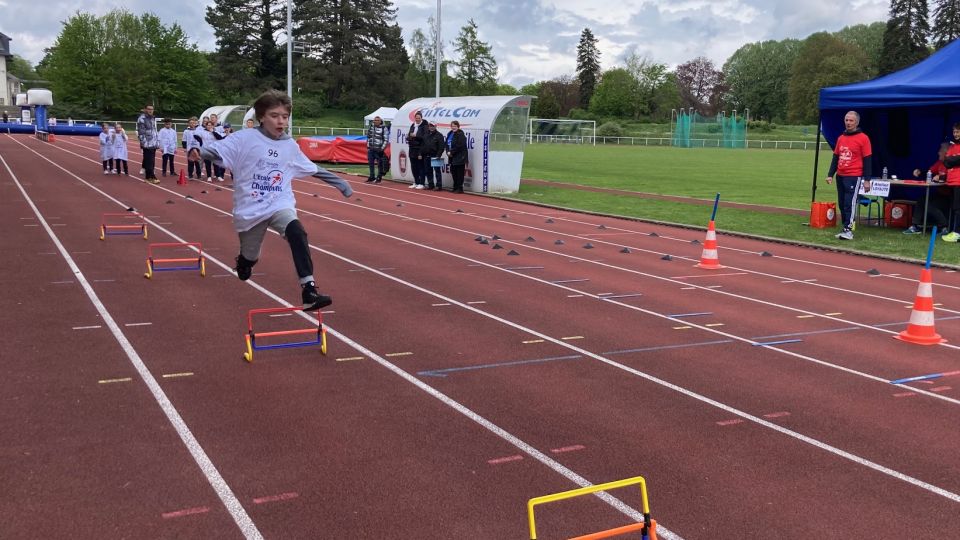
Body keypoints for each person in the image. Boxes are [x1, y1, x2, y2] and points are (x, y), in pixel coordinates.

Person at [188, 90, 353, 311]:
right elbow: (217, 150)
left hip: (279, 203)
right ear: (261, 116)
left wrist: (340, 183)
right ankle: (245, 262)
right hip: (251, 208)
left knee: (297, 232)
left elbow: (312, 167)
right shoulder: (244, 138)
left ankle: (309, 290)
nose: (281, 121)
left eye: (285, 116)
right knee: (250, 255)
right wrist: (197, 150)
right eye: (275, 116)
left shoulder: (289, 146)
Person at [825, 111, 872, 240]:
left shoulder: (863, 138)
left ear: (856, 122)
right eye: (846, 120)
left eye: (851, 120)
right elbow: (836, 157)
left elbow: (868, 160)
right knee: (841, 203)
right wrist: (830, 174)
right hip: (840, 175)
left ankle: (848, 230)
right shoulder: (841, 138)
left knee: (849, 203)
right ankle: (845, 227)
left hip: (854, 176)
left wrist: (867, 180)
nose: (848, 123)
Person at [904, 142, 951, 234]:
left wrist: (941, 177)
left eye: (940, 150)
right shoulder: (939, 163)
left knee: (929, 206)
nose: (938, 152)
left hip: (948, 196)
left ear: (946, 153)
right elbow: (929, 171)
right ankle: (915, 226)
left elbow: (951, 177)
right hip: (939, 193)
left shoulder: (952, 164)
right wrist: (919, 172)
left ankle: (944, 227)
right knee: (922, 199)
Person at [941, 122, 960, 242]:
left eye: (958, 131)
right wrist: (954, 159)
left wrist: (953, 159)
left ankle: (957, 233)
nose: (955, 134)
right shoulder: (952, 146)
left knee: (958, 208)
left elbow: (951, 160)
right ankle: (953, 230)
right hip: (952, 182)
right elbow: (946, 162)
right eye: (954, 131)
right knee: (954, 207)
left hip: (959, 181)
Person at [136, 103, 160, 183]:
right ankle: (152, 177)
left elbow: (153, 131)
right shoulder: (142, 119)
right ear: (145, 109)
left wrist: (157, 142)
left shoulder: (152, 118)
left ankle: (147, 177)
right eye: (149, 109)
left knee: (150, 160)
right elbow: (141, 132)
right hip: (147, 143)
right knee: (150, 160)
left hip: (153, 143)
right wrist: (144, 143)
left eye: (151, 109)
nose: (150, 111)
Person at [406, 111, 428, 189]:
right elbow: (409, 134)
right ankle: (416, 181)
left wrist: (416, 136)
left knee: (420, 166)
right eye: (416, 118)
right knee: (413, 166)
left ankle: (422, 183)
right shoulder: (413, 125)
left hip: (420, 149)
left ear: (421, 118)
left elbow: (424, 137)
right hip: (412, 148)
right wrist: (408, 137)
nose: (417, 119)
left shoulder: (425, 126)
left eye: (419, 118)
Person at [446, 120, 468, 194]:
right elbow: (447, 144)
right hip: (452, 157)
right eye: (452, 126)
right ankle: (455, 187)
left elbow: (460, 146)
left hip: (460, 157)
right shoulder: (450, 133)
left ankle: (460, 188)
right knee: (454, 172)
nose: (453, 127)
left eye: (455, 126)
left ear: (458, 127)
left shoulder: (460, 134)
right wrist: (448, 152)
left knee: (459, 173)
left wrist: (451, 152)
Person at [422, 122, 446, 190]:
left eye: (433, 126)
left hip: (435, 156)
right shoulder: (426, 134)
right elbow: (423, 145)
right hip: (427, 156)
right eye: (430, 126)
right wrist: (422, 153)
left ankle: (439, 186)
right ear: (428, 126)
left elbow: (441, 147)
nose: (431, 127)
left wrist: (438, 155)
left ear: (435, 126)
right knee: (428, 171)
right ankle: (430, 185)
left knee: (437, 171)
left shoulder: (439, 135)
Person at [365, 115, 388, 184]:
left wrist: (382, 149)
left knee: (380, 164)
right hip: (371, 149)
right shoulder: (371, 127)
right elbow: (368, 137)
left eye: (378, 120)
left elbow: (386, 139)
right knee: (370, 163)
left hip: (379, 149)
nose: (376, 121)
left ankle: (379, 177)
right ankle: (372, 176)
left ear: (380, 121)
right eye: (375, 120)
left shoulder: (384, 128)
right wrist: (368, 146)